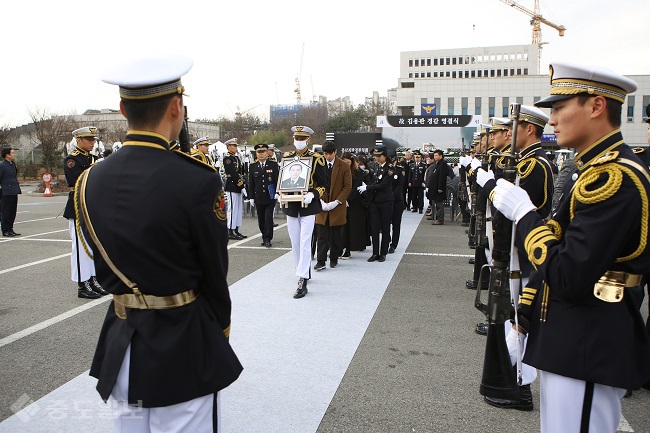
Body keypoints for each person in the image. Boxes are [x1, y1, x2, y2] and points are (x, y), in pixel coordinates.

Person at [485, 62, 650, 433]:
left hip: (589, 338)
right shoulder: (589, 170)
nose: (552, 119)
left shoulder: (614, 176)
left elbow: (569, 274)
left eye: (560, 108)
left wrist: (525, 215)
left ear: (596, 106)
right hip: (570, 333)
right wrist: (524, 318)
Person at [84, 54, 242, 432]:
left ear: (123, 109)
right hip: (183, 339)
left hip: (122, 340)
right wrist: (219, 329)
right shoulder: (197, 179)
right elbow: (214, 274)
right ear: (176, 107)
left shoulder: (89, 179)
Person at [282, 125, 327, 298]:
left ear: (308, 140)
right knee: (295, 242)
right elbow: (283, 180)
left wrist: (313, 194)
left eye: (302, 139)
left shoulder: (317, 158)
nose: (298, 142)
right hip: (291, 205)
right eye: (296, 138)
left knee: (305, 240)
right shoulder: (287, 157)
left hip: (308, 205)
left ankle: (302, 279)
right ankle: (302, 270)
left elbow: (323, 184)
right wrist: (281, 193)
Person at [63, 128, 108, 299]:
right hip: (77, 208)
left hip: (91, 207)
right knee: (81, 248)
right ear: (78, 140)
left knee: (92, 246)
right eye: (88, 139)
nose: (92, 142)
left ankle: (93, 279)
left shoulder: (94, 158)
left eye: (93, 139)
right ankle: (82, 285)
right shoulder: (72, 160)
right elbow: (78, 181)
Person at [314, 141, 351, 271]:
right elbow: (314, 184)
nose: (327, 156)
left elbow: (347, 187)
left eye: (330, 154)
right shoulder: (318, 165)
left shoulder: (344, 166)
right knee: (321, 235)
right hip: (322, 205)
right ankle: (321, 261)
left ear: (335, 152)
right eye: (325, 154)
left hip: (337, 205)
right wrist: (320, 201)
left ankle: (334, 258)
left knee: (336, 234)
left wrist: (337, 202)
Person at [358, 145, 394, 262]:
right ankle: (375, 253)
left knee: (385, 227)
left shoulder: (390, 168)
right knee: (374, 228)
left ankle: (383, 253)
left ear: (385, 156)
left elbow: (383, 185)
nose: (377, 158)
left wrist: (367, 187)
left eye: (379, 156)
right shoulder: (377, 168)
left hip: (385, 202)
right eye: (376, 156)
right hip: (375, 202)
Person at [340, 153, 371, 258]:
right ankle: (340, 248)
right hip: (340, 202)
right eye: (344, 162)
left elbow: (356, 188)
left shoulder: (358, 173)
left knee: (350, 227)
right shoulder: (339, 172)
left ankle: (348, 249)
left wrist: (347, 199)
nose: (346, 164)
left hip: (353, 203)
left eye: (348, 162)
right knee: (341, 227)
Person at [248, 143, 279, 247]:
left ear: (267, 153)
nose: (261, 154)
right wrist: (251, 197)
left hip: (270, 196)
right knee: (261, 218)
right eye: (259, 152)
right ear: (256, 154)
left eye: (263, 152)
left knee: (268, 217)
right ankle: (264, 235)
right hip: (258, 196)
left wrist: (278, 193)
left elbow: (277, 180)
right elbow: (251, 183)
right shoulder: (252, 166)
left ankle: (267, 238)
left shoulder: (273, 165)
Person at [223, 138, 247, 240]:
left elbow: (241, 172)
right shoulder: (227, 158)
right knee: (232, 209)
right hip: (232, 185)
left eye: (236, 146)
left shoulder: (236, 158)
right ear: (228, 147)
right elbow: (233, 173)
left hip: (237, 185)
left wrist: (245, 163)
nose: (235, 147)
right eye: (233, 146)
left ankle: (236, 229)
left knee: (238, 209)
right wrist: (241, 185)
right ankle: (230, 230)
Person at [0, 147, 21, 237]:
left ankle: (10, 228)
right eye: (12, 153)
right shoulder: (2, 165)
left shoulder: (12, 164)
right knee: (6, 212)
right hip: (6, 191)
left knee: (12, 211)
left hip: (13, 190)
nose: (13, 155)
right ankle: (5, 230)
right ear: (7, 155)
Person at [426, 149, 449, 225]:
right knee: (436, 203)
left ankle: (440, 219)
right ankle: (438, 218)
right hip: (434, 187)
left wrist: (440, 188)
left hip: (439, 188)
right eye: (434, 155)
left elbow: (442, 177)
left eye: (436, 155)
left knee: (439, 204)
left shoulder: (442, 164)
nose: (435, 157)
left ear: (441, 156)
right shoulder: (437, 164)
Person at [389, 151, 406, 254]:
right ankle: (387, 240)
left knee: (396, 224)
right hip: (386, 201)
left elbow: (400, 186)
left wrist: (391, 196)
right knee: (385, 223)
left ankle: (393, 244)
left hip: (396, 200)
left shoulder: (400, 170)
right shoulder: (384, 169)